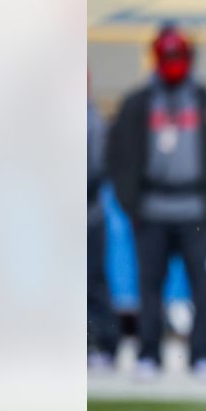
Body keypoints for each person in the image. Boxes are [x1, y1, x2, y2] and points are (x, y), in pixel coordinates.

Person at [107, 22, 206, 381]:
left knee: (203, 286)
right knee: (150, 286)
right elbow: (117, 154)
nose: (173, 62)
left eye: (178, 55)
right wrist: (129, 201)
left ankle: (201, 354)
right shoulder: (137, 104)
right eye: (168, 56)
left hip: (197, 208)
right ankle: (150, 353)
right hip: (151, 208)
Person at [88, 94, 120, 371]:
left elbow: (99, 167)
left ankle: (105, 344)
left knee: (94, 280)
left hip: (88, 214)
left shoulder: (93, 120)